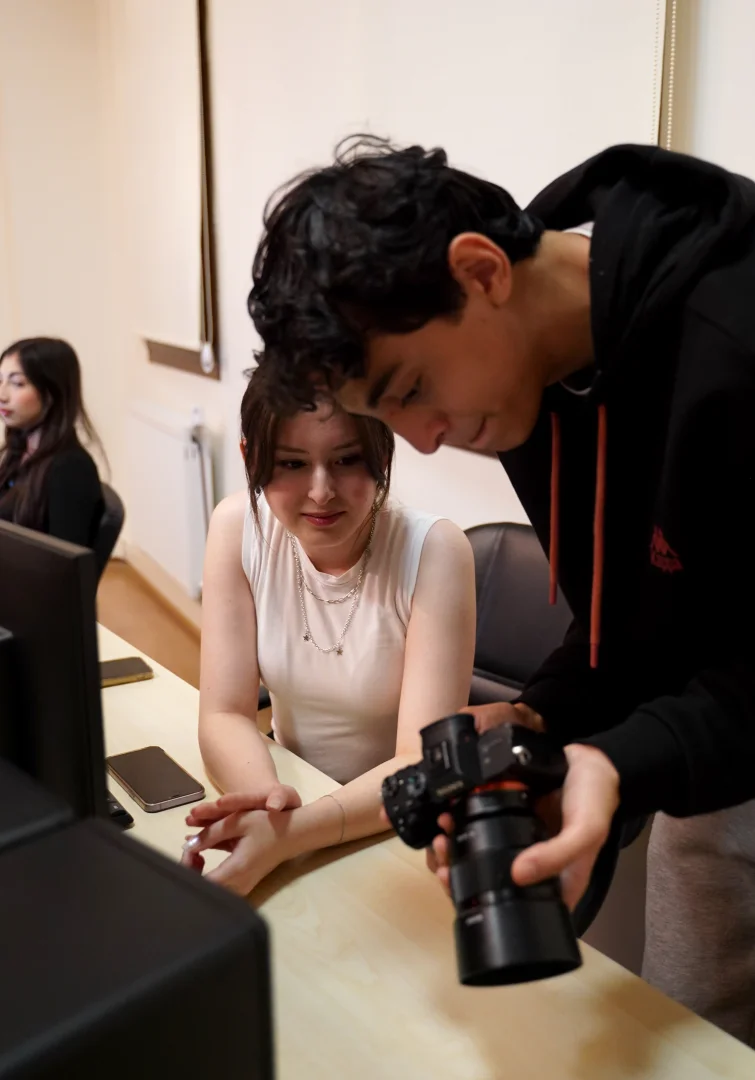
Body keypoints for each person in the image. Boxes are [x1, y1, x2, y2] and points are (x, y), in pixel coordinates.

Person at [244, 138, 755, 1044]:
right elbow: (637, 624)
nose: (427, 441)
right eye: (388, 416)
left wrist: (625, 759)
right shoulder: (533, 383)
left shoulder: (735, 334)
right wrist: (543, 722)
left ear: (479, 271)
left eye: (413, 389)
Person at [181, 369, 475, 896]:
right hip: (288, 792)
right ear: (252, 460)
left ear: (383, 453)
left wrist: (287, 835)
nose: (321, 491)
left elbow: (417, 760)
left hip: (392, 823)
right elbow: (224, 712)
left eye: (346, 460)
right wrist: (269, 808)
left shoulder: (435, 551)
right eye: (291, 464)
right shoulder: (236, 527)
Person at [0, 337, 104, 547]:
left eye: (18, 383)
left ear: (51, 394)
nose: (2, 395)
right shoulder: (20, 451)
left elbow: (63, 567)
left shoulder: (70, 468)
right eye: (0, 381)